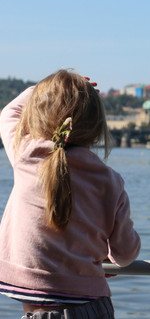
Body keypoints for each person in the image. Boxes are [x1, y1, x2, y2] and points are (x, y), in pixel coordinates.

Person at [0, 69, 141, 319]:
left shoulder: (26, 156)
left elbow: (8, 113)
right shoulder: (110, 181)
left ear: (37, 116)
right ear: (97, 128)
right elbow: (125, 254)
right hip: (91, 305)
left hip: (36, 307)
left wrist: (46, 91)